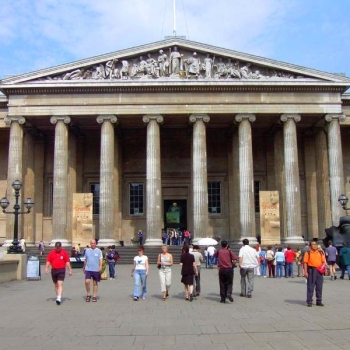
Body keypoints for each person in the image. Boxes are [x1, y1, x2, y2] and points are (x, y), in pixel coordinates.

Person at [303, 241, 326, 307]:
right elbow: (305, 263)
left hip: (319, 270)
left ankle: (319, 300)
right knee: (310, 286)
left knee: (319, 286)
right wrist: (305, 272)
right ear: (310, 246)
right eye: (313, 244)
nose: (315, 245)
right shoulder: (308, 253)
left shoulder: (320, 252)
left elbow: (323, 262)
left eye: (316, 244)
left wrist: (325, 270)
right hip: (311, 270)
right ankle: (309, 301)